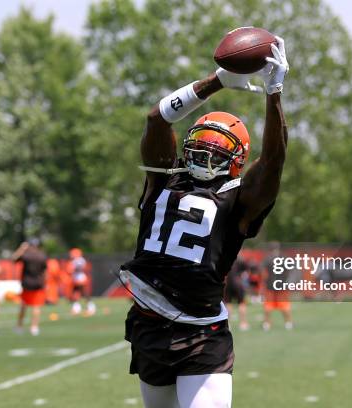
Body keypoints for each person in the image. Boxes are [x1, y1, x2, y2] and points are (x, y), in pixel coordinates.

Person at [120, 36, 289, 408]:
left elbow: (274, 161)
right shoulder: (162, 179)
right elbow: (156, 117)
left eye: (216, 151)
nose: (203, 155)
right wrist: (217, 80)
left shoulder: (238, 198)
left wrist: (273, 93)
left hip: (200, 333)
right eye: (199, 146)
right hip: (148, 324)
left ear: (236, 160)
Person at [12, 238, 48, 336]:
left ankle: (19, 326)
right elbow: (45, 271)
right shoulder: (42, 256)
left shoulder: (26, 256)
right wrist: (45, 283)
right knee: (36, 306)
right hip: (38, 283)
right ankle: (34, 327)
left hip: (27, 283)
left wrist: (21, 249)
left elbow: (14, 258)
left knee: (23, 305)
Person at [261, 242, 293, 331]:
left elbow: (264, 274)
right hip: (282, 285)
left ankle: (267, 324)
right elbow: (289, 271)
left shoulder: (267, 259)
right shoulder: (284, 258)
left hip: (270, 286)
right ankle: (288, 323)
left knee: (268, 305)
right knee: (284, 305)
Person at [224, 256, 250, 331]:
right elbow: (246, 272)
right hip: (238, 283)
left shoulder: (225, 258)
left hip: (228, 283)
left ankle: (228, 324)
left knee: (228, 303)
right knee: (242, 303)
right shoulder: (240, 259)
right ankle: (243, 323)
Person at [68, 247, 96, 316]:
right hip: (76, 278)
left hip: (80, 278)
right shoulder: (74, 260)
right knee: (75, 293)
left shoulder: (80, 260)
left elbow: (80, 268)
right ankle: (77, 308)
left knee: (84, 293)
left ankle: (90, 306)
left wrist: (73, 269)